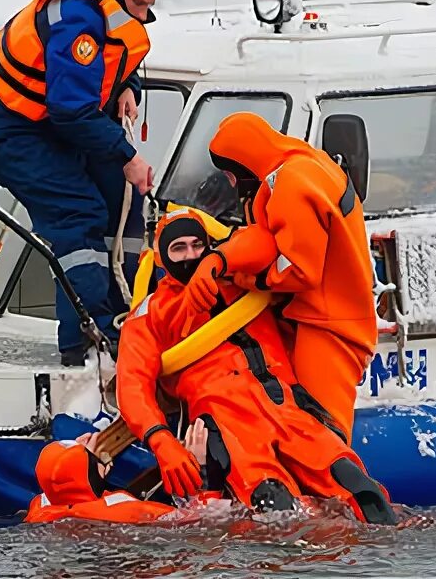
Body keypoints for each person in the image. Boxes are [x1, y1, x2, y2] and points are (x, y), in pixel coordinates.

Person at [115, 210, 395, 525]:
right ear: (162, 258)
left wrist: (216, 262)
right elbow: (131, 385)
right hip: (229, 426)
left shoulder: (241, 278)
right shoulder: (151, 314)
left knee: (363, 492)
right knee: (277, 510)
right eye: (178, 248)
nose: (190, 255)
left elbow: (266, 240)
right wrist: (161, 440)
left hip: (290, 410)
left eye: (197, 245)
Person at [0, 0, 161, 365]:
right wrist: (128, 155)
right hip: (13, 129)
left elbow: (114, 56)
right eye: (139, 5)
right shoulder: (75, 17)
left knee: (123, 204)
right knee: (78, 212)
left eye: (150, 7)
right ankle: (87, 340)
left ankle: (127, 316)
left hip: (59, 121)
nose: (145, 16)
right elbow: (70, 108)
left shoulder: (108, 1)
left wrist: (130, 85)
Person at [184, 112, 377, 445]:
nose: (231, 184)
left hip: (328, 326)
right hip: (324, 317)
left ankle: (342, 497)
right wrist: (226, 255)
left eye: (230, 174)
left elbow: (299, 269)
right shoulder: (306, 162)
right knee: (307, 426)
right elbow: (272, 237)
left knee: (324, 436)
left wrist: (248, 280)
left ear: (243, 163)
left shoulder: (291, 183)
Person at [25, 419, 219, 524]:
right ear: (90, 477)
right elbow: (206, 522)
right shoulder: (129, 511)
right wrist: (199, 468)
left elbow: (61, 475)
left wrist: (78, 454)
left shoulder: (40, 508)